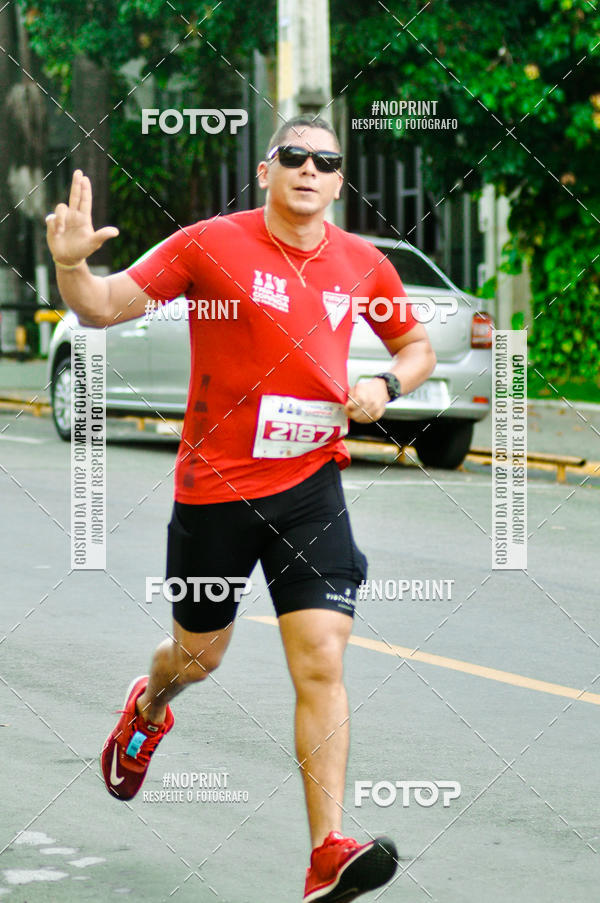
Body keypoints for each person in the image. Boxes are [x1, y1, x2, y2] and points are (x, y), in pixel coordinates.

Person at [46, 115, 436, 902]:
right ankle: (147, 706)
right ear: (266, 170)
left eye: (325, 160)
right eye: (294, 156)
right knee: (198, 657)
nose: (309, 169)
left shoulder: (363, 264)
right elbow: (103, 306)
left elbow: (416, 347)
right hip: (215, 491)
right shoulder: (211, 245)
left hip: (311, 486)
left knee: (322, 655)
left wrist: (386, 384)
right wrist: (70, 265)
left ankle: (326, 852)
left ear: (339, 181)